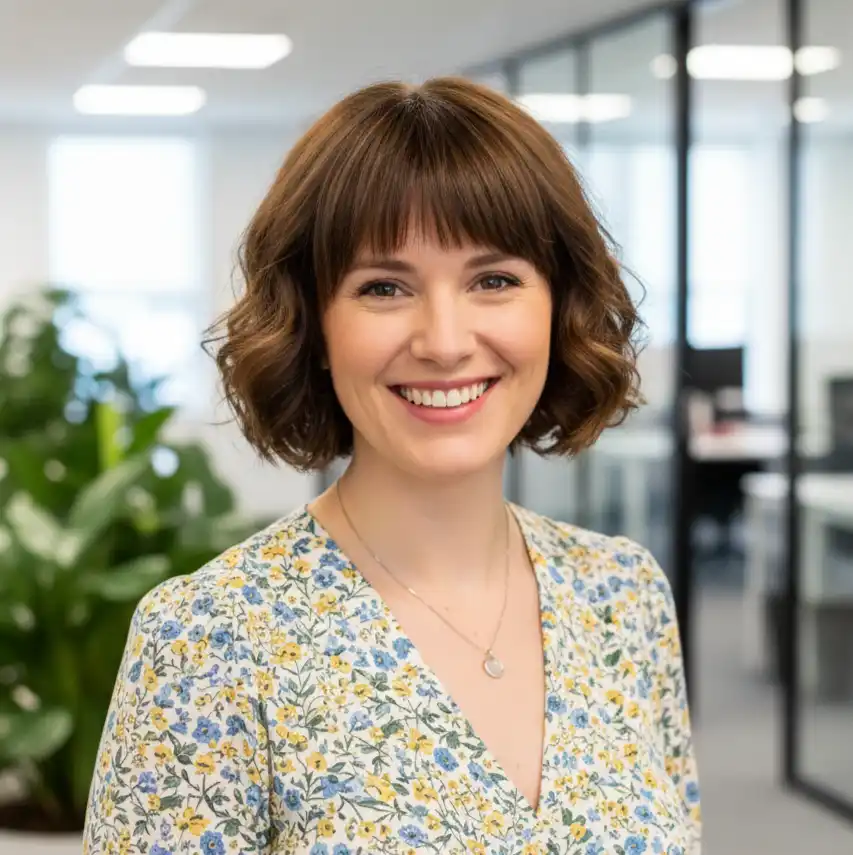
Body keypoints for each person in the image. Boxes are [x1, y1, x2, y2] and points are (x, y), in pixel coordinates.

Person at [83, 77, 701, 855]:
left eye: (493, 280)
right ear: (312, 325)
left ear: (559, 303)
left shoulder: (624, 595)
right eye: (383, 287)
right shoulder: (209, 640)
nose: (444, 340)